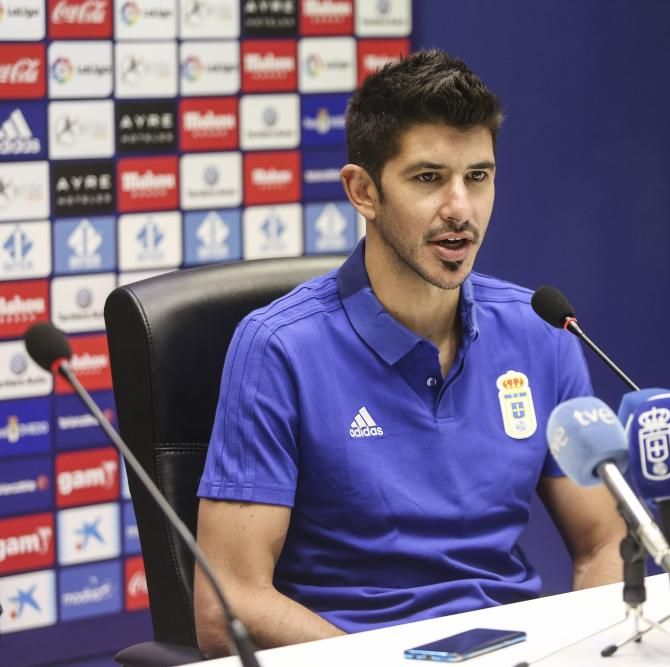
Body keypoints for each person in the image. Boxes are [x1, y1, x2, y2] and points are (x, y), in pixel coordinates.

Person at [193, 49, 625, 657]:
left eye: (478, 176)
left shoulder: (541, 331)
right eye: (428, 178)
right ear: (362, 191)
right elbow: (228, 603)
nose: (461, 209)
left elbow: (604, 542)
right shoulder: (278, 348)